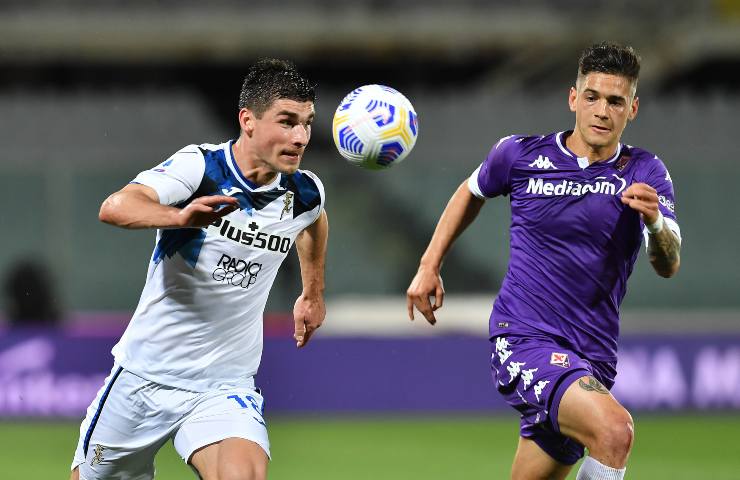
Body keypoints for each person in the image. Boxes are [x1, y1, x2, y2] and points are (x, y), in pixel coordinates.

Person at [407, 42, 681, 480]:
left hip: (592, 356)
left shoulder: (645, 172)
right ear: (573, 98)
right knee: (615, 431)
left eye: (615, 101)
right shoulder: (520, 156)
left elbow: (668, 262)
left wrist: (653, 223)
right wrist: (428, 264)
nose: (601, 111)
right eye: (592, 97)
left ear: (632, 109)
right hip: (524, 338)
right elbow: (470, 192)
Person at [70, 58, 328, 480]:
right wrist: (179, 218)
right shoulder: (201, 167)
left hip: (225, 385)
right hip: (145, 378)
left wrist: (312, 292)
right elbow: (114, 206)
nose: (300, 137)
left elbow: (315, 221)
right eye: (287, 122)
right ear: (248, 120)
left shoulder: (304, 191)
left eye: (307, 123)